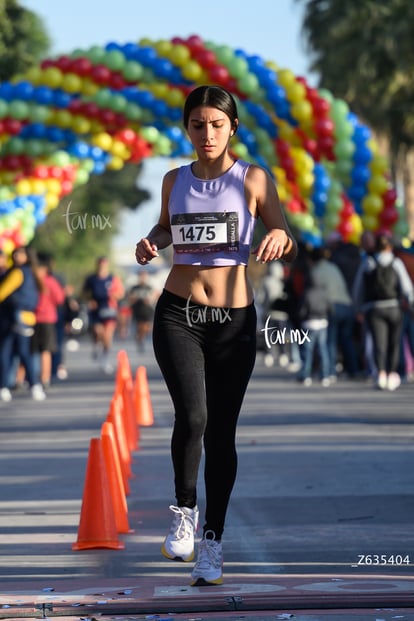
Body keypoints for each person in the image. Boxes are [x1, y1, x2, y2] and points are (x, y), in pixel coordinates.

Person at [134, 85, 297, 586]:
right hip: (178, 312)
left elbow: (286, 235)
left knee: (222, 429)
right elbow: (166, 228)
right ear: (187, 129)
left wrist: (275, 236)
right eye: (198, 125)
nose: (207, 134)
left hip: (233, 320)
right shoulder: (173, 180)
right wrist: (151, 242)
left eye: (217, 125)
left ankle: (213, 542)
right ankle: (185, 511)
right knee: (194, 415)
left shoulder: (252, 178)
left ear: (232, 129)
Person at [352, 233, 414, 390]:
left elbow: (358, 288)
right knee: (395, 342)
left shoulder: (369, 262)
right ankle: (393, 373)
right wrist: (410, 302)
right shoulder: (396, 262)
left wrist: (358, 307)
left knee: (379, 343)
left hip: (374, 308)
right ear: (390, 247)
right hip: (394, 306)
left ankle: (380, 374)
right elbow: (406, 286)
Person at [0, 246, 46, 402]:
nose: (16, 256)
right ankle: (33, 385)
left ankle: (6, 387)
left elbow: (2, 292)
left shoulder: (18, 272)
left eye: (20, 253)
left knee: (11, 352)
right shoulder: (31, 273)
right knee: (20, 353)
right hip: (26, 317)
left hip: (16, 317)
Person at [82, 256, 124, 373]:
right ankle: (96, 345)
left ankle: (105, 358)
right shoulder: (91, 279)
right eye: (100, 265)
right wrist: (90, 300)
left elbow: (120, 293)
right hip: (96, 310)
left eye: (104, 265)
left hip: (109, 309)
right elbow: (84, 293)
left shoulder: (113, 279)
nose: (102, 267)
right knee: (97, 332)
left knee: (107, 335)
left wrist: (114, 295)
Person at [31, 254, 66, 389]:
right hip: (42, 319)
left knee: (42, 350)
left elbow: (59, 298)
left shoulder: (36, 281)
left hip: (42, 319)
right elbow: (60, 299)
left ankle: (43, 377)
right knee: (40, 350)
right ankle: (40, 378)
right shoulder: (49, 281)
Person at [128, 270, 157, 351]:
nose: (142, 278)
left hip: (147, 311)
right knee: (140, 327)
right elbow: (130, 299)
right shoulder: (134, 288)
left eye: (144, 276)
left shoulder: (149, 287)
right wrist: (135, 298)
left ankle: (141, 337)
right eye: (141, 276)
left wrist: (149, 300)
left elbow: (153, 297)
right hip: (138, 310)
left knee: (147, 327)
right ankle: (140, 339)